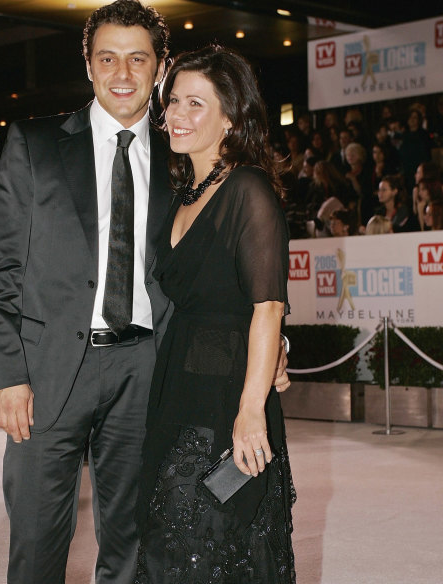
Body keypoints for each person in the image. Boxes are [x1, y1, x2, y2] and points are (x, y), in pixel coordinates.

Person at [0, 2, 289, 582]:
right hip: (46, 376)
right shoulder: (35, 144)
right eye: (108, 58)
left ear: (160, 67)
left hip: (149, 374)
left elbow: (225, 270)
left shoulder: (183, 162)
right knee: (38, 538)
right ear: (89, 66)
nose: (123, 73)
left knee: (133, 542)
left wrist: (274, 347)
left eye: (138, 59)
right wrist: (5, 374)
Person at [134, 45, 296, 583]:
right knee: (168, 537)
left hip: (227, 397)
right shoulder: (184, 194)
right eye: (173, 100)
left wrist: (251, 410)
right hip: (178, 381)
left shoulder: (247, 189)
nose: (177, 114)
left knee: (208, 537)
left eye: (196, 104)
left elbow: (267, 304)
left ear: (230, 117)